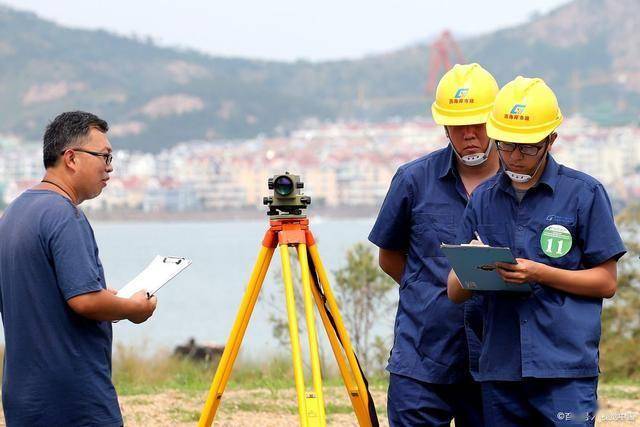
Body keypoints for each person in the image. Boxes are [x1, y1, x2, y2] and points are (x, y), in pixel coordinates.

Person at [447, 76, 626, 426]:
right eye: (507, 145)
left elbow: (606, 282)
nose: (515, 157)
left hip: (565, 371)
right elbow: (454, 291)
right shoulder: (482, 199)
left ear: (551, 140)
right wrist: (474, 269)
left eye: (527, 147)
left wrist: (540, 273)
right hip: (501, 369)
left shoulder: (584, 194)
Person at [0, 111, 158, 426]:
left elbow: (40, 292)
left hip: (23, 397)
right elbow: (84, 300)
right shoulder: (64, 216)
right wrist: (132, 307)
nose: (110, 167)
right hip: (72, 399)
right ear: (71, 158)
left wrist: (104, 296)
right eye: (104, 156)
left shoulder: (13, 214)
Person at [369, 63, 500, 426]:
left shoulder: (519, 185)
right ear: (445, 127)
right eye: (459, 126)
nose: (469, 134)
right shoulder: (413, 180)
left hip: (498, 361)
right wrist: (430, 294)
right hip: (422, 358)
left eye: (478, 123)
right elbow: (389, 256)